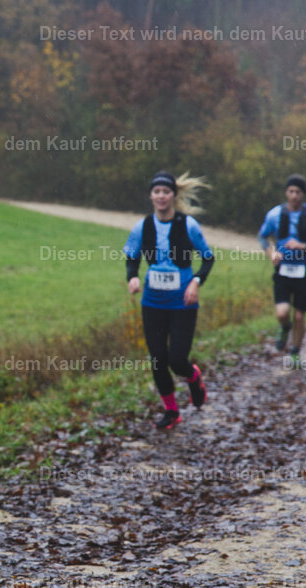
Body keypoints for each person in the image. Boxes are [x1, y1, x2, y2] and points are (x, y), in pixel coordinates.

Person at [123, 171, 214, 430]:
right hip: (153, 301)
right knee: (157, 359)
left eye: (166, 192)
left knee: (176, 360)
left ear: (173, 195)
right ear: (151, 196)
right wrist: (132, 277)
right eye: (156, 192)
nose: (161, 196)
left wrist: (196, 282)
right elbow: (132, 256)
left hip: (183, 302)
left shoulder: (188, 225)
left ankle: (193, 376)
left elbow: (208, 258)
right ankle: (172, 411)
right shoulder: (143, 226)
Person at [257, 174, 306, 361]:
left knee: (299, 316)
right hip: (282, 270)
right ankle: (284, 327)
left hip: (304, 271)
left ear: (303, 194)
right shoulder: (275, 214)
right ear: (286, 192)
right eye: (291, 191)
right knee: (282, 313)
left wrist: (301, 246)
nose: (294, 195)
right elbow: (262, 236)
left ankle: (295, 352)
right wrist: (272, 253)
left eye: (298, 192)